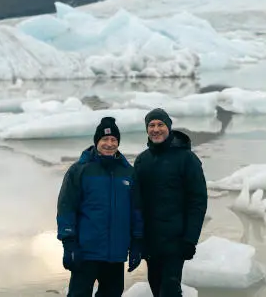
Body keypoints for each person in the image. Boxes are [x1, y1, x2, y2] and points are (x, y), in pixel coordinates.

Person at [56, 117, 144, 297]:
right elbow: (66, 207)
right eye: (105, 139)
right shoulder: (80, 170)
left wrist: (137, 242)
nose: (109, 144)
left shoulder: (128, 172)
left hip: (116, 253)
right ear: (97, 142)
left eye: (114, 140)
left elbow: (136, 210)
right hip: (86, 251)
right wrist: (69, 243)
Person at [134, 108, 208, 296]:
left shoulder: (187, 159)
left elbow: (197, 201)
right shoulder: (142, 160)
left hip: (176, 241)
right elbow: (136, 202)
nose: (156, 129)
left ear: (169, 128)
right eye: (151, 125)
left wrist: (190, 239)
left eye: (161, 124)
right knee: (156, 287)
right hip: (150, 241)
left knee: (170, 290)